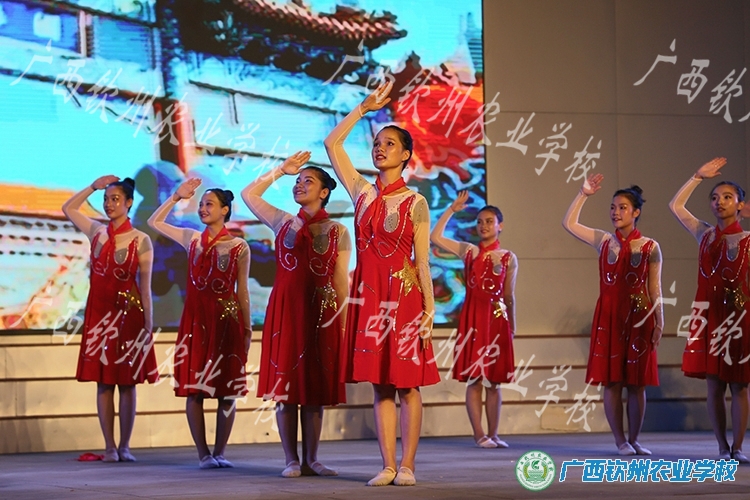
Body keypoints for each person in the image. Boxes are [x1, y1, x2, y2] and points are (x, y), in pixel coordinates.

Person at [324, 81, 440, 487]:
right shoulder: (361, 191)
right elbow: (331, 144)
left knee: (407, 384)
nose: (380, 148)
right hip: (370, 297)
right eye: (376, 142)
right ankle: (388, 465)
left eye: (389, 144)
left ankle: (408, 465)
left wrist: (429, 310)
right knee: (381, 385)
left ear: (406, 155)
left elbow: (422, 261)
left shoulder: (415, 201)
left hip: (404, 299)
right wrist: (362, 109)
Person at [241, 151, 351, 477]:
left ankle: (312, 459)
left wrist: (344, 327)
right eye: (298, 181)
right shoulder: (283, 221)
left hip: (321, 314)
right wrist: (280, 170)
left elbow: (340, 282)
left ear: (324, 192)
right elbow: (249, 194)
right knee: (286, 389)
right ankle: (290, 459)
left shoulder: (338, 231)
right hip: (287, 311)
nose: (300, 185)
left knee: (314, 389)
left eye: (308, 181)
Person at [147, 179, 251, 469]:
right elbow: (155, 222)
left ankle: (220, 452)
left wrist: (247, 329)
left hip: (227, 323)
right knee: (195, 389)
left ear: (225, 210)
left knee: (227, 390)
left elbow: (242, 291)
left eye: (209, 204)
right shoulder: (192, 239)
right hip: (195, 323)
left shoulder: (239, 246)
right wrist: (176, 197)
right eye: (201, 204)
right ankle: (203, 454)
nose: (203, 208)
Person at [563, 173, 663, 456]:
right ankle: (620, 441)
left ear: (636, 212)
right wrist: (583, 194)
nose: (615, 212)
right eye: (612, 207)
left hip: (640, 318)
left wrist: (659, 322)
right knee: (613, 382)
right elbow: (569, 224)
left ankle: (635, 439)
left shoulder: (650, 246)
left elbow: (655, 288)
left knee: (637, 383)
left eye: (622, 207)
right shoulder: (604, 241)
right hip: (609, 318)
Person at [62, 176, 158, 462]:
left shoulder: (141, 240)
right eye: (106, 199)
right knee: (103, 383)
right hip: (99, 317)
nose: (109, 204)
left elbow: (145, 289)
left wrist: (148, 326)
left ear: (129, 203)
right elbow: (69, 208)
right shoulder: (96, 232)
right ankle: (109, 447)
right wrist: (92, 187)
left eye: (115, 199)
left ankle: (125, 446)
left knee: (127, 383)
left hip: (129, 318)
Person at [669, 157, 750, 463]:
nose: (719, 202)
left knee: (739, 385)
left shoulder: (748, 240)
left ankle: (738, 447)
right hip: (709, 317)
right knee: (714, 386)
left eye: (728, 197)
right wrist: (697, 176)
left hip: (739, 318)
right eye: (715, 198)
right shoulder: (704, 234)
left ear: (740, 205)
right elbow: (676, 206)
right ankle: (722, 448)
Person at [430, 190, 516, 449]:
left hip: (497, 320)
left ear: (500, 226)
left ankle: (494, 434)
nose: (483, 226)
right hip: (474, 320)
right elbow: (435, 237)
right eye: (480, 222)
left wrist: (511, 326)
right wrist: (451, 210)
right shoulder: (469, 251)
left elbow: (509, 297)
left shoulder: (508, 257)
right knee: (475, 378)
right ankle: (479, 435)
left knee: (494, 380)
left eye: (489, 221)